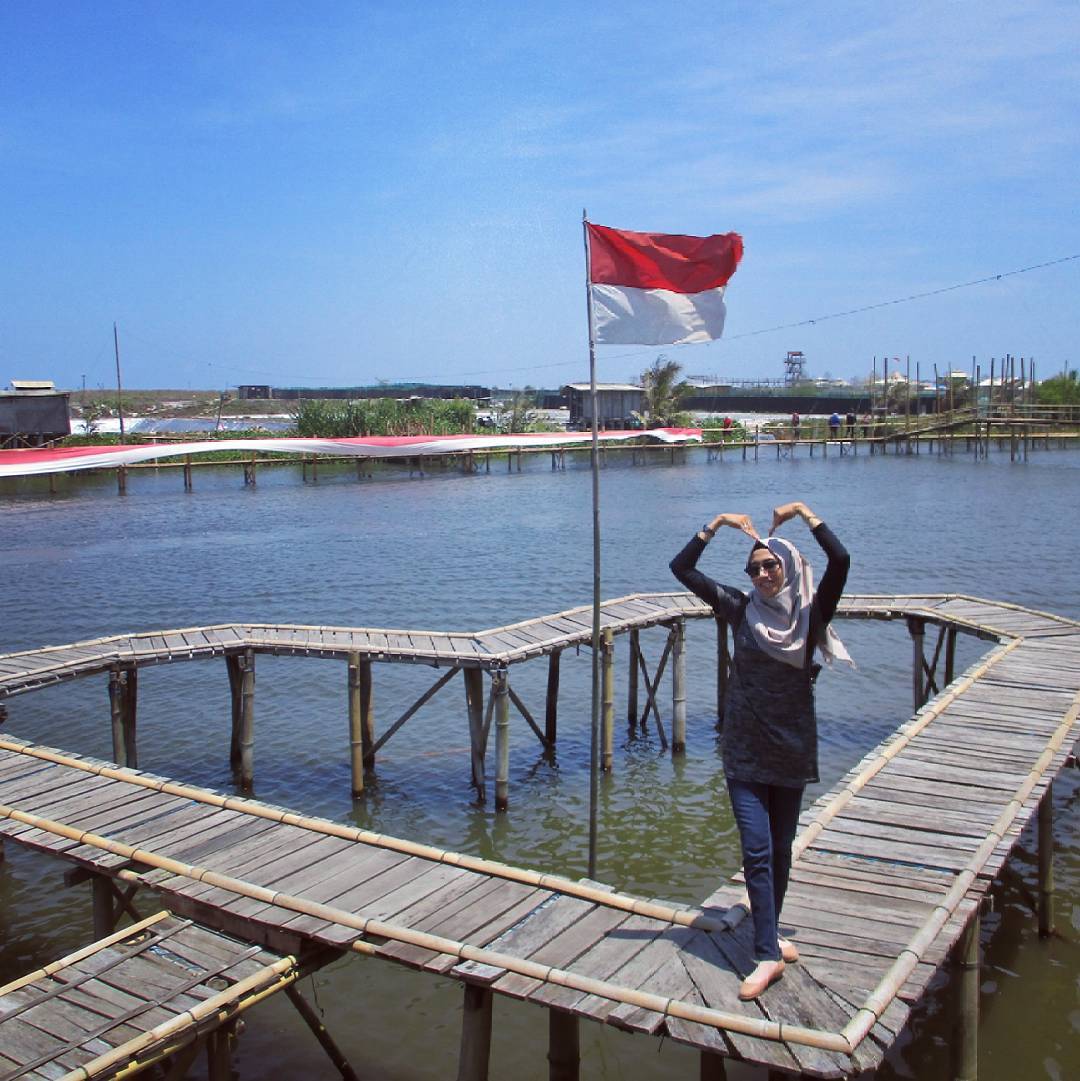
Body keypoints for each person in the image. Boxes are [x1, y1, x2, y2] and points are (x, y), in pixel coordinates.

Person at [669, 501, 851, 1000]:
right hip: (744, 750)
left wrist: (807, 513)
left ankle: (768, 931)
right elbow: (681, 568)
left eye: (770, 564)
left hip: (791, 748)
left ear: (788, 566)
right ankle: (767, 952)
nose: (763, 573)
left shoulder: (812, 614)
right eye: (754, 568)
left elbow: (840, 561)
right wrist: (716, 524)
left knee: (782, 850)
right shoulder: (737, 607)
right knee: (756, 850)